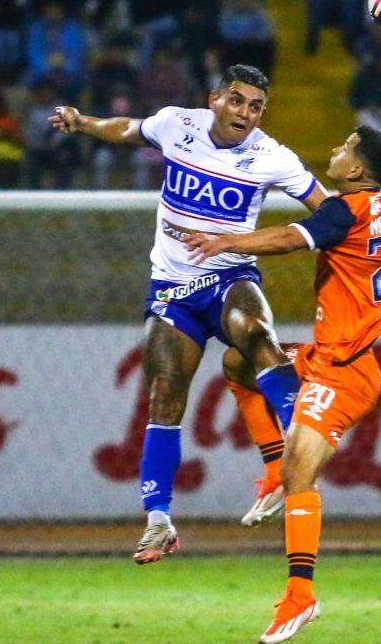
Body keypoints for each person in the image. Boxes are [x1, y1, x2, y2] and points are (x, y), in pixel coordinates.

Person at [48, 65, 327, 563]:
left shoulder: (272, 157)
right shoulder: (179, 124)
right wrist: (85, 123)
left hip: (229, 278)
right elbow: (131, 130)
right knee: (165, 394)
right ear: (215, 99)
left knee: (256, 333)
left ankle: (295, 445)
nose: (246, 113)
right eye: (237, 101)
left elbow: (325, 210)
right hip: (172, 287)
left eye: (256, 106)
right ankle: (158, 522)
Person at [183, 127, 381, 644]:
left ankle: (300, 596)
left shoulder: (346, 211)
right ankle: (273, 468)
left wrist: (227, 240)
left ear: (359, 170)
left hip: (346, 368)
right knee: (238, 362)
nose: (336, 150)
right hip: (328, 356)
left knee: (304, 473)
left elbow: (290, 239)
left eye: (345, 147)